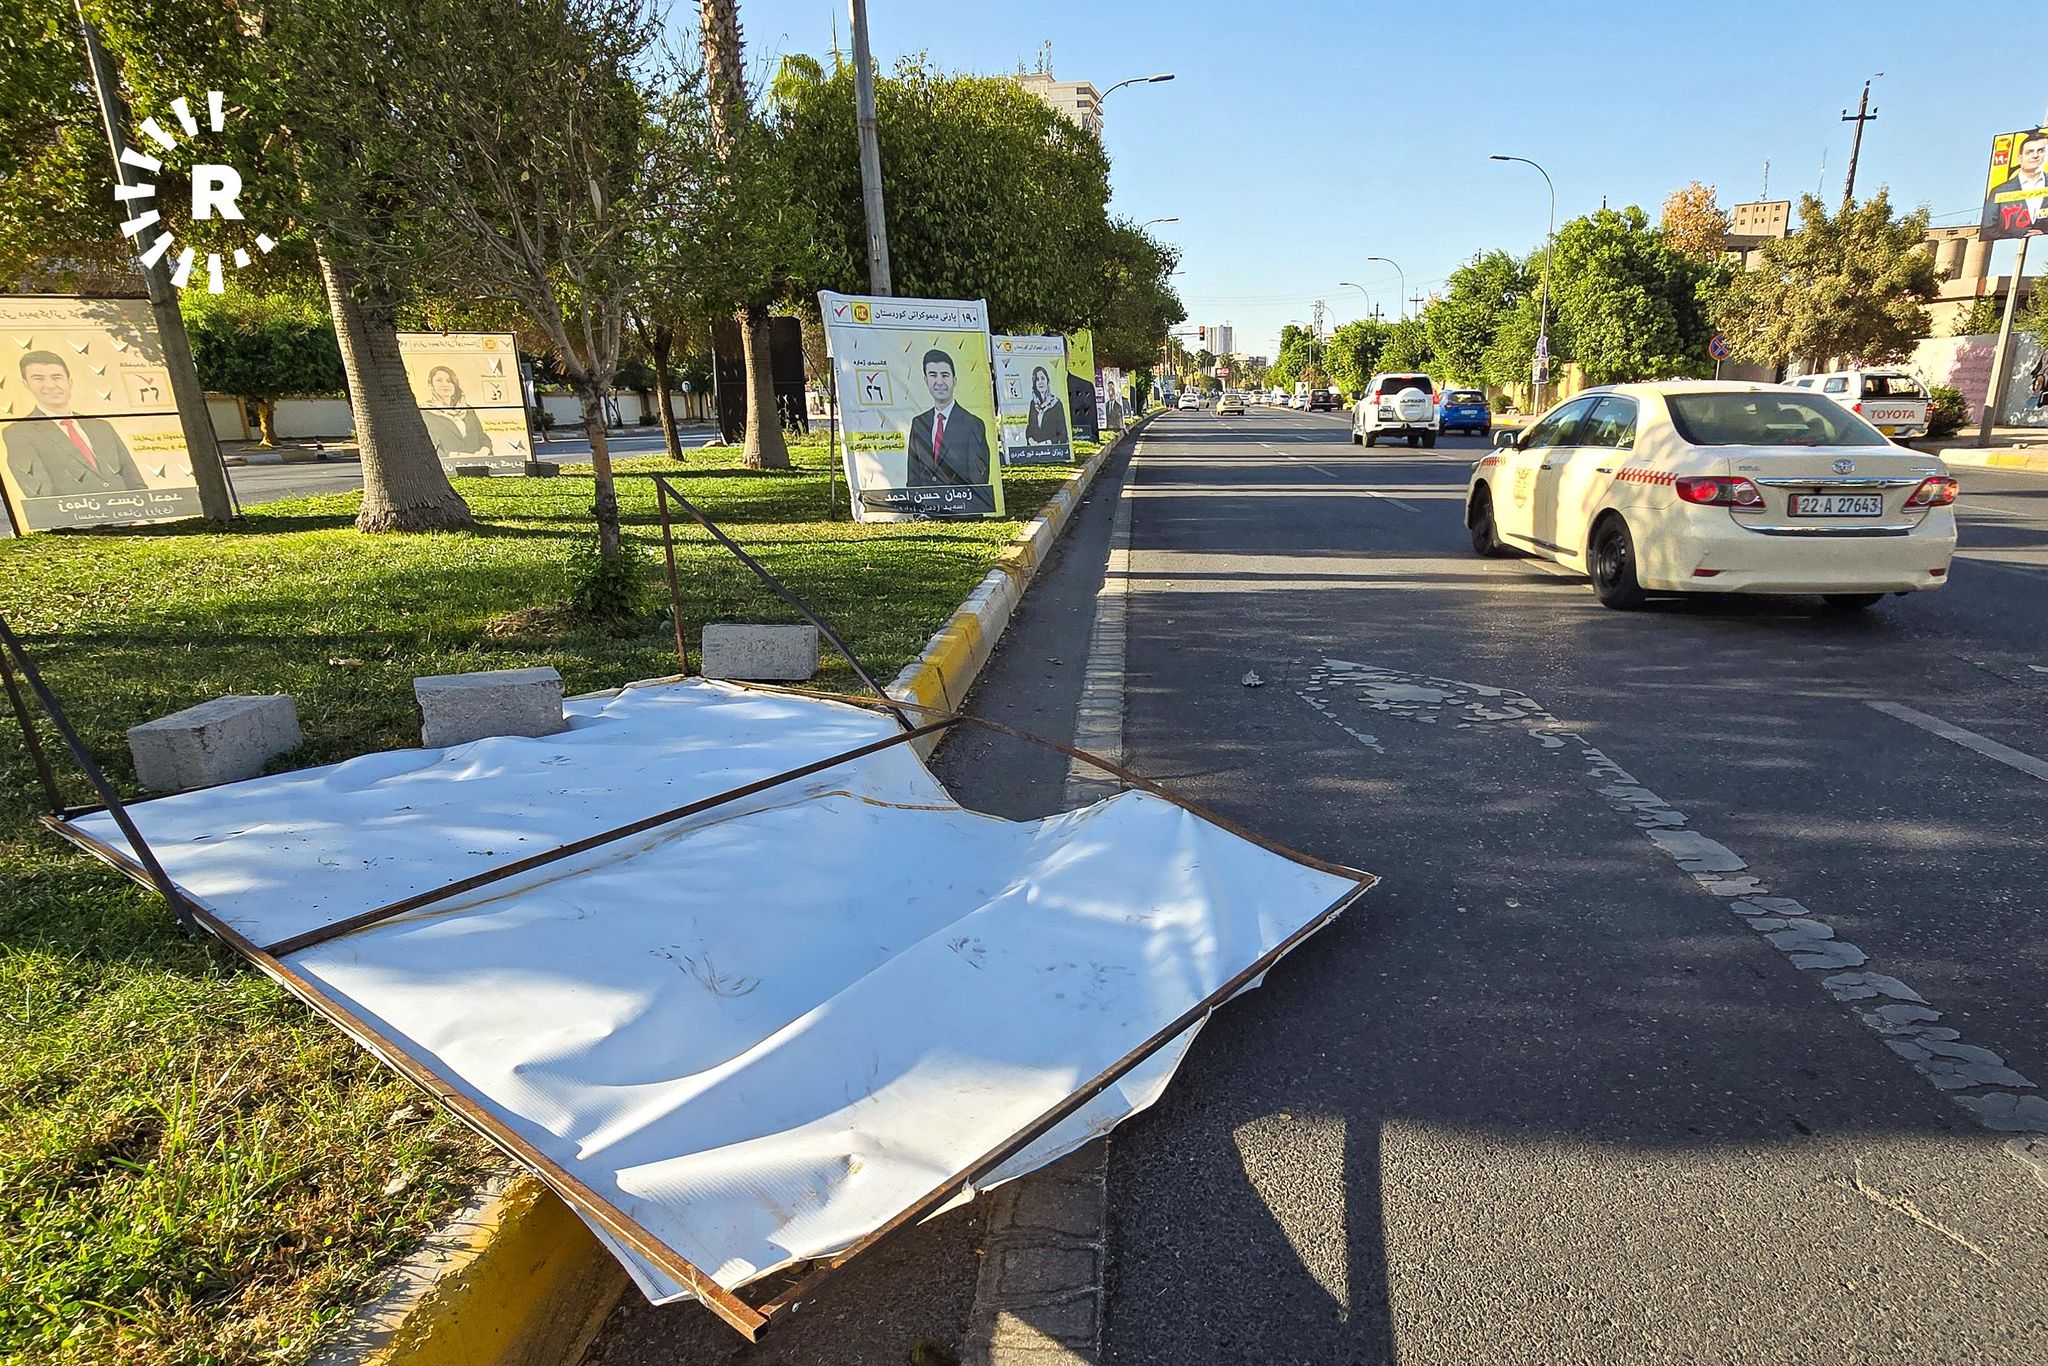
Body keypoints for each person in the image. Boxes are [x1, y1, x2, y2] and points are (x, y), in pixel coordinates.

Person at [2, 350, 146, 498]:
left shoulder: (101, 427)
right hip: (79, 512)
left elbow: (137, 485)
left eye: (57, 377)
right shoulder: (19, 433)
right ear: (26, 385)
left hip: (128, 511)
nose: (50, 385)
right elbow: (42, 498)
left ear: (69, 382)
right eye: (38, 379)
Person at [906, 349, 992, 510]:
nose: (939, 382)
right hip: (927, 512)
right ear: (926, 380)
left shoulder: (972, 424)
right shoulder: (918, 423)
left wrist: (965, 511)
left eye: (945, 375)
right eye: (933, 375)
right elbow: (913, 474)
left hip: (961, 510)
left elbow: (979, 478)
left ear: (954, 380)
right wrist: (919, 509)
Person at [419, 365, 495, 461]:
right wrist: (457, 456)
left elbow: (482, 437)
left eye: (449, 381)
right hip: (449, 464)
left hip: (478, 462)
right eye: (439, 380)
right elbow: (428, 445)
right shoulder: (425, 412)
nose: (445, 384)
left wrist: (483, 452)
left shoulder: (467, 409)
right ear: (431, 385)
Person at [1983, 130, 2048, 238]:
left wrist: (2044, 232)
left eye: (2041, 151)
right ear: (2020, 158)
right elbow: (1987, 228)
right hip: (2011, 244)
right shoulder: (1999, 191)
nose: (2035, 155)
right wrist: (2019, 234)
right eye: (2029, 152)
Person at [1024, 364, 1068, 446]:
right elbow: (1029, 428)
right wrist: (1031, 441)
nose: (1040, 382)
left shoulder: (1056, 404)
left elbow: (1062, 434)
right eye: (1037, 379)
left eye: (1043, 378)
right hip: (1035, 449)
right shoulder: (1033, 404)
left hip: (1051, 449)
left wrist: (1047, 443)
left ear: (1048, 381)